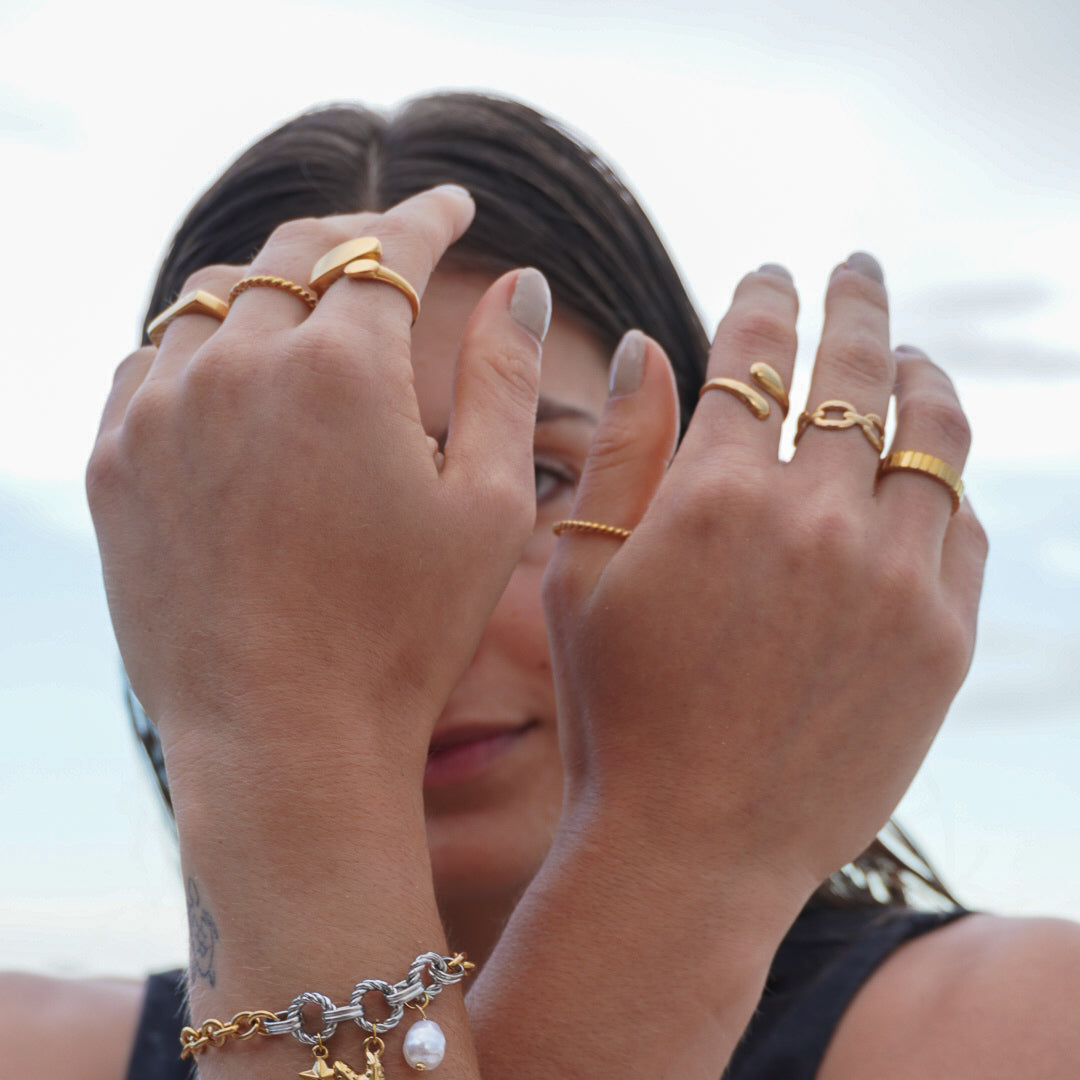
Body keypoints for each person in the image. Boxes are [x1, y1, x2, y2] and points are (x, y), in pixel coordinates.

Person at [3, 91, 1079, 1080]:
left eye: (541, 474)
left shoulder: (1015, 1028)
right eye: (289, 520)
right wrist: (287, 724)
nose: (442, 607)